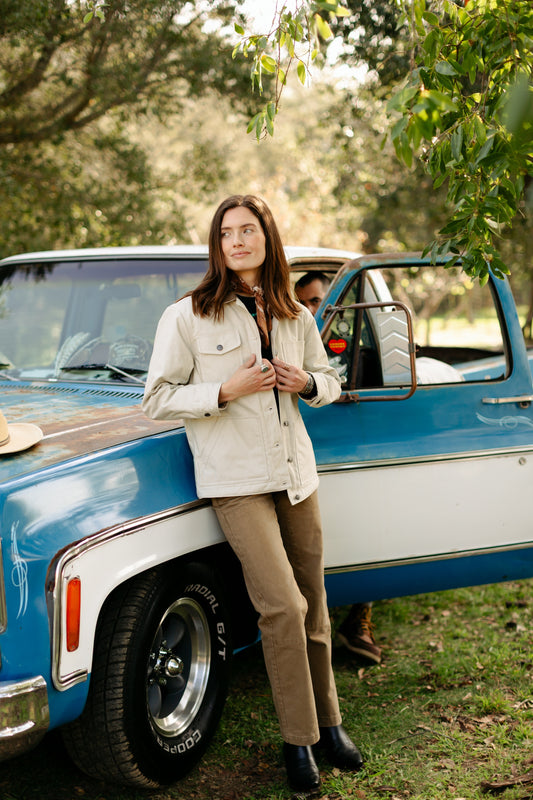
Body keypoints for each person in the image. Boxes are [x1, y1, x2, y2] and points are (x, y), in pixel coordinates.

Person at [142, 195, 363, 793]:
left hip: (297, 477)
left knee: (315, 602)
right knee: (282, 609)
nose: (237, 241)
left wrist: (309, 382)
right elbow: (156, 396)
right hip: (237, 485)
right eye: (227, 233)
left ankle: (332, 725)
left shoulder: (294, 313)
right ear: (216, 246)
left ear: (268, 239)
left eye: (249, 230)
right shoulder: (186, 315)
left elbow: (332, 381)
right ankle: (299, 742)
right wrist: (225, 389)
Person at [295, 272, 382, 667]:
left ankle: (359, 616)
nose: (315, 311)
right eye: (308, 303)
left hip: (349, 443)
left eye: (319, 301)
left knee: (361, 523)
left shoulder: (362, 351)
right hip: (297, 456)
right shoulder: (286, 336)